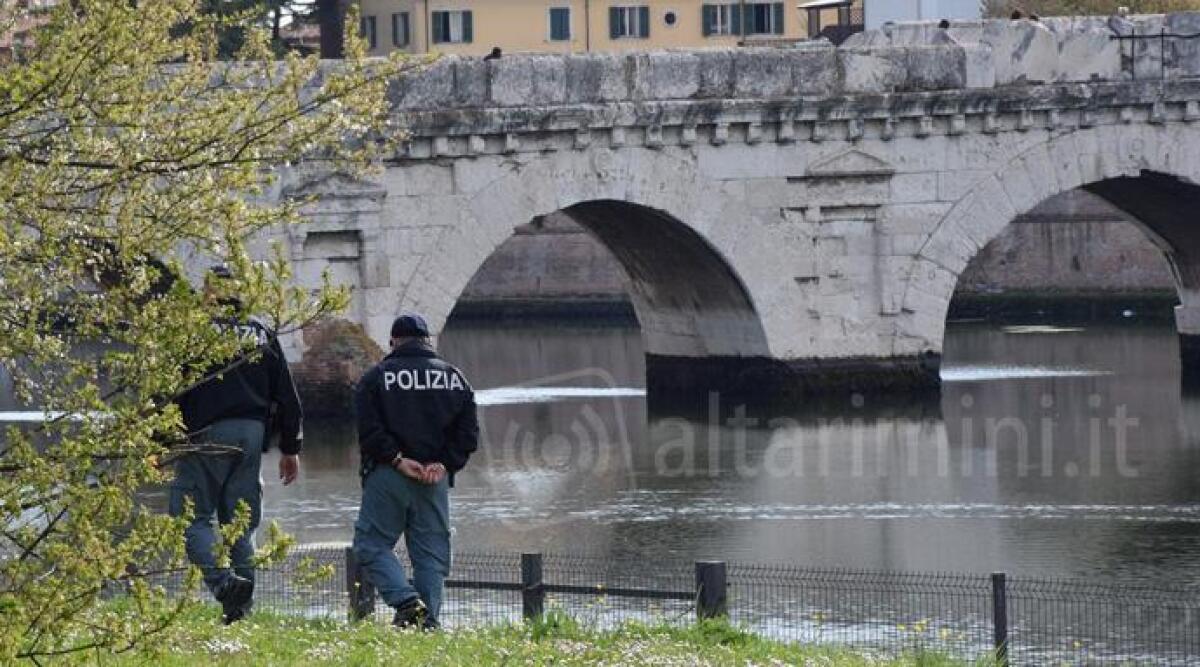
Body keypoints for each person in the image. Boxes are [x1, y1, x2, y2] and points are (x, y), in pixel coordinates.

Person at [171, 266, 303, 624]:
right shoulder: (261, 332)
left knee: (191, 517)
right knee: (241, 525)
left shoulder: (193, 331)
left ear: (209, 292)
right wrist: (290, 448)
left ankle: (224, 583)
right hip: (251, 433)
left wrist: (160, 441)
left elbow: (168, 390)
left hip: (206, 434)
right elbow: (287, 397)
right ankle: (241, 611)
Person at [351, 313, 479, 629]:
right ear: (427, 341)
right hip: (433, 479)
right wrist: (444, 463)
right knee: (431, 556)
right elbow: (468, 435)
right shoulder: (455, 378)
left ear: (393, 341)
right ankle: (427, 623)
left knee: (371, 545)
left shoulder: (376, 377)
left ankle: (407, 602)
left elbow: (368, 430)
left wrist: (396, 459)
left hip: (389, 474)